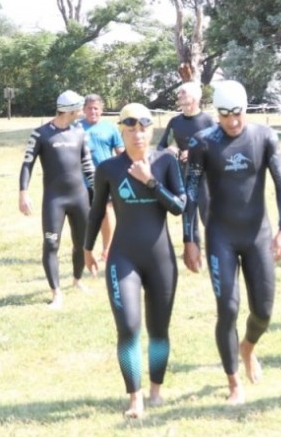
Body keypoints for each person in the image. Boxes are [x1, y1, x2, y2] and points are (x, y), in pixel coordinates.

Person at [183, 80, 281, 405]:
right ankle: (234, 384)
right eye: (225, 115)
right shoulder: (203, 143)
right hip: (221, 237)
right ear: (216, 113)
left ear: (246, 109)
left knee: (264, 311)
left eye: (238, 114)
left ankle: (247, 348)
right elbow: (191, 194)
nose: (232, 122)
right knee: (227, 309)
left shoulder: (264, 137)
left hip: (256, 234)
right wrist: (190, 238)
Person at [83, 103, 186, 419]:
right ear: (122, 132)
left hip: (161, 260)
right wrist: (87, 248)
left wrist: (151, 181)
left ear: (150, 130)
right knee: (128, 328)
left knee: (158, 330)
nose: (138, 134)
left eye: (143, 128)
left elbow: (179, 206)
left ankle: (155, 391)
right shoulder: (109, 169)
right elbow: (98, 210)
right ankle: (135, 398)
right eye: (131, 129)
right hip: (123, 258)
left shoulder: (165, 161)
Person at [19, 90, 95, 308]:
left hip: (79, 197)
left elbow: (88, 165)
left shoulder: (79, 132)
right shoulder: (41, 134)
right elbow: (27, 164)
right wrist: (23, 192)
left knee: (82, 243)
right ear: (70, 110)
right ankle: (56, 293)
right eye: (80, 108)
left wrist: (101, 188)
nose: (82, 111)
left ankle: (77, 280)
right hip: (55, 199)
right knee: (51, 243)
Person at [157, 81, 216, 225]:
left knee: (209, 221)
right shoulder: (175, 122)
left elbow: (219, 149)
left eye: (183, 92)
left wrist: (194, 152)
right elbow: (159, 148)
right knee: (188, 223)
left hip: (205, 180)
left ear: (194, 98)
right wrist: (169, 150)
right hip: (183, 178)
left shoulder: (208, 121)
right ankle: (190, 247)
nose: (179, 95)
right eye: (179, 92)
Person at [81, 94, 124, 260]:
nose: (93, 111)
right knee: (85, 216)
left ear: (101, 110)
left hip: (105, 179)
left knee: (106, 212)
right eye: (89, 108)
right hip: (81, 180)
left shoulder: (110, 128)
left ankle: (107, 249)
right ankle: (85, 249)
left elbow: (120, 152)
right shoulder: (76, 128)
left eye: (96, 108)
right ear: (84, 109)